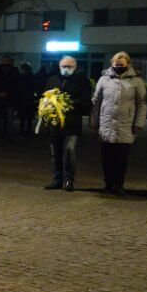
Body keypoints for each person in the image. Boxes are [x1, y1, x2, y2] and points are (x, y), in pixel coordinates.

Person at [92, 51, 147, 195]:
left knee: (121, 159)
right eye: (116, 64)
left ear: (128, 64)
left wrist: (139, 123)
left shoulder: (136, 81)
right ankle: (108, 184)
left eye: (122, 65)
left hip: (126, 125)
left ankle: (119, 184)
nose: (119, 67)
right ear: (112, 64)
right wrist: (94, 121)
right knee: (106, 158)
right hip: (106, 125)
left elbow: (142, 104)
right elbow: (96, 102)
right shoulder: (104, 79)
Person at [42, 56, 92, 192]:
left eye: (69, 66)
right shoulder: (52, 80)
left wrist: (67, 104)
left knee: (70, 150)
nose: (66, 69)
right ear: (59, 66)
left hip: (72, 122)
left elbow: (86, 101)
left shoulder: (82, 81)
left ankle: (69, 179)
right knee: (56, 151)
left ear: (75, 67)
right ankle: (57, 179)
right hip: (55, 123)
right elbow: (45, 97)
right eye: (64, 66)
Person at [0, 55, 20, 144]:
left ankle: (9, 137)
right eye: (3, 61)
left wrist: (8, 93)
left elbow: (17, 87)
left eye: (6, 61)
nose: (4, 63)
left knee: (9, 120)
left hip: (9, 100)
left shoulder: (14, 73)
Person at [17, 62, 36, 136]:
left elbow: (20, 87)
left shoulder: (22, 76)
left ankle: (22, 130)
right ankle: (28, 130)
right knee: (29, 116)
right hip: (29, 98)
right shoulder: (31, 76)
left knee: (23, 116)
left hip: (23, 97)